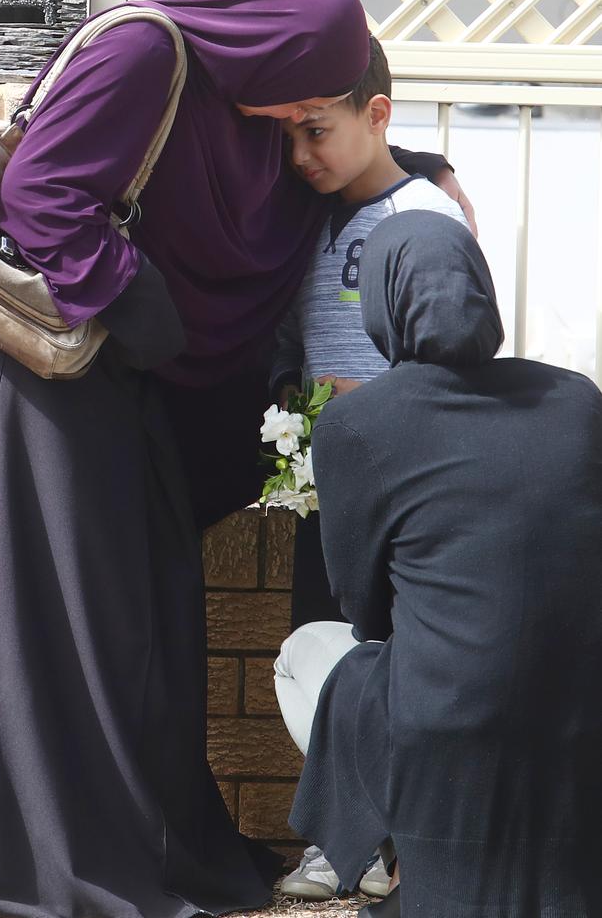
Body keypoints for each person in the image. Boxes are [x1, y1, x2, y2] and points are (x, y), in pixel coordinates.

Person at [0, 0, 473, 918]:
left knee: (152, 622)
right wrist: (134, 295)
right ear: (276, 49)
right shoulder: (146, 53)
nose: (302, 120)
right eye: (306, 94)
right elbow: (40, 190)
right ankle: (66, 872)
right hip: (53, 377)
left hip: (130, 381)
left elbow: (305, 179)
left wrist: (416, 169)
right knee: (69, 627)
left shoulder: (251, 101)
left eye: (322, 103)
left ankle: (156, 850)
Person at [274, 209, 602, 917]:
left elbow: (363, 612)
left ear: (382, 302)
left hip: (446, 734)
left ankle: (390, 862)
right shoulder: (578, 403)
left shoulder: (359, 422)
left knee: (306, 651)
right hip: (580, 717)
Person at [271, 38, 468, 901]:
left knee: (393, 652)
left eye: (315, 131)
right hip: (323, 480)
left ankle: (399, 842)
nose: (300, 155)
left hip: (408, 487)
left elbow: (455, 339)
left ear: (376, 113)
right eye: (288, 137)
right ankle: (338, 840)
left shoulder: (423, 213)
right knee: (323, 646)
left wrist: (378, 397)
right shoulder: (304, 217)